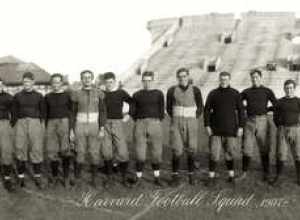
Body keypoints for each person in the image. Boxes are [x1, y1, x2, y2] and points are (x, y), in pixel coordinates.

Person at [204, 71, 245, 186]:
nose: (224, 81)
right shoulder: (213, 93)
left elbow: (242, 111)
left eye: (226, 79)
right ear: (219, 79)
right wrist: (207, 125)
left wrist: (241, 127)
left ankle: (231, 176)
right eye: (222, 79)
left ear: (229, 80)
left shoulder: (235, 93)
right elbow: (206, 110)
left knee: (230, 153)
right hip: (215, 130)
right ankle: (211, 177)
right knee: (214, 154)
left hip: (231, 130)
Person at [166, 68, 203, 186]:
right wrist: (176, 117)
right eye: (180, 76)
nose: (182, 78)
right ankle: (175, 176)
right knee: (177, 149)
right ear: (177, 78)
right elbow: (168, 107)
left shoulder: (195, 90)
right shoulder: (171, 90)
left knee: (191, 148)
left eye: (184, 76)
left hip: (191, 122)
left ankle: (191, 175)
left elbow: (200, 106)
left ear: (188, 76)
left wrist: (193, 117)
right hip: (176, 122)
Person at [70, 70, 106, 188]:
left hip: (94, 125)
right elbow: (72, 113)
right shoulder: (76, 94)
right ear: (81, 79)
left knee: (94, 153)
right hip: (80, 125)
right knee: (80, 152)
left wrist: (101, 128)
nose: (87, 79)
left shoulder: (99, 93)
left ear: (92, 78)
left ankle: (94, 178)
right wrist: (71, 129)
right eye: (84, 77)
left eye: (89, 77)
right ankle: (77, 178)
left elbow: (102, 112)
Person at [239, 69, 277, 182]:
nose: (254, 79)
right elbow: (237, 102)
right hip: (249, 121)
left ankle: (266, 173)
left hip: (263, 121)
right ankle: (244, 173)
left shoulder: (267, 91)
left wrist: (267, 109)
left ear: (260, 77)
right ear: (250, 79)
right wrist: (245, 108)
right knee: (246, 148)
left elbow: (276, 104)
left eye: (256, 77)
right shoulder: (246, 91)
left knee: (264, 147)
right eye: (252, 77)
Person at [12, 72, 46, 189]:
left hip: (35, 123)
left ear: (33, 82)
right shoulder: (17, 96)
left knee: (36, 149)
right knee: (20, 149)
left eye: (29, 81)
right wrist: (15, 125)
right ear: (23, 82)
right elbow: (14, 112)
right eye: (24, 81)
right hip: (21, 123)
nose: (26, 84)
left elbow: (43, 113)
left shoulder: (39, 96)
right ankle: (21, 178)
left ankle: (37, 177)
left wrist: (40, 125)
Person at [130, 71, 165, 187]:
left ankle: (157, 177)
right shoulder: (136, 94)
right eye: (144, 80)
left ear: (153, 80)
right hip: (140, 124)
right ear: (142, 81)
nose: (147, 83)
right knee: (140, 154)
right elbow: (133, 112)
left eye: (149, 80)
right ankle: (138, 178)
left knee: (156, 153)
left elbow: (161, 111)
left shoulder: (158, 93)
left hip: (155, 123)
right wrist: (140, 121)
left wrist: (155, 120)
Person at [102, 72, 133, 188]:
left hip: (117, 123)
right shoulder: (102, 94)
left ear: (114, 82)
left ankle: (124, 177)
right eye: (107, 82)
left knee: (122, 152)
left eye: (111, 82)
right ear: (104, 83)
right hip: (104, 124)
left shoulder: (121, 92)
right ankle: (109, 178)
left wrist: (129, 114)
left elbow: (132, 101)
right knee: (106, 152)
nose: (109, 84)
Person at [45, 73, 73, 188]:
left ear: (61, 83)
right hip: (51, 123)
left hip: (64, 123)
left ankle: (66, 178)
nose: (56, 84)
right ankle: (55, 176)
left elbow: (71, 113)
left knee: (65, 151)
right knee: (52, 152)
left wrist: (71, 129)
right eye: (53, 82)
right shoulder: (47, 97)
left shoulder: (67, 96)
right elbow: (45, 113)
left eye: (58, 82)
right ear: (51, 83)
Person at [271, 79, 300, 186]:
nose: (289, 90)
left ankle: (299, 177)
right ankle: (278, 177)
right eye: (287, 88)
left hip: (296, 129)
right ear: (284, 89)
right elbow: (274, 117)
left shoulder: (298, 101)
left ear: (294, 89)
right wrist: (280, 126)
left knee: (298, 153)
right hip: (282, 129)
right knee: (281, 153)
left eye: (291, 88)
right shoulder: (280, 102)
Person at [0, 78, 15, 192]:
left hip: (4, 124)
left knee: (6, 151)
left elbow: (14, 113)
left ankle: (7, 178)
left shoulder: (9, 97)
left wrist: (9, 124)